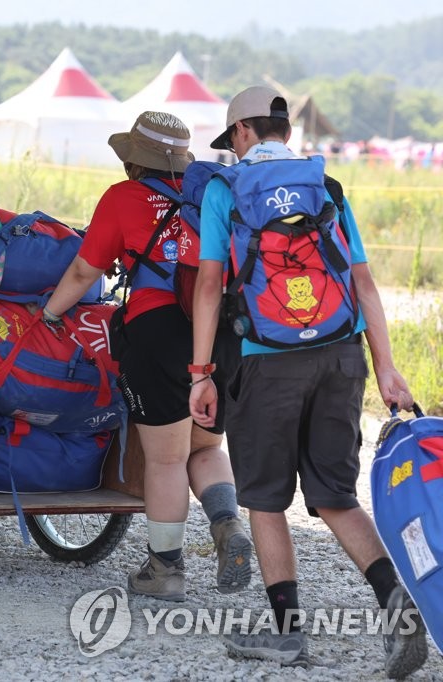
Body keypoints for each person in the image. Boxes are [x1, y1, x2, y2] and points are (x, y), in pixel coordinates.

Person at [189, 85, 428, 675]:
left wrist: (201, 373)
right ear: (286, 132)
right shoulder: (329, 187)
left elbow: (209, 287)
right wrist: (389, 369)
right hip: (341, 355)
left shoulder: (226, 189)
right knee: (333, 496)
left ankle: (289, 633)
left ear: (242, 133)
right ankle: (399, 611)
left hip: (264, 358)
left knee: (266, 500)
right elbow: (364, 285)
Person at [44, 111, 252, 602]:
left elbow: (82, 271)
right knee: (204, 449)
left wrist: (50, 314)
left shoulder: (124, 198)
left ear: (135, 161)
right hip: (220, 334)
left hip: (158, 331)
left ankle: (166, 570)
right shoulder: (213, 194)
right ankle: (227, 526)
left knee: (165, 460)